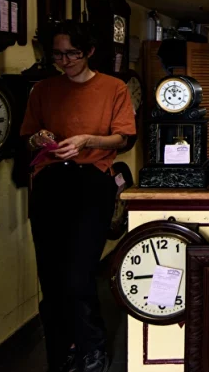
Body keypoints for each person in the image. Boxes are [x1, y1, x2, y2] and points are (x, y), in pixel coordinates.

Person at [21, 20, 136, 372]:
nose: (65, 61)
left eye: (72, 53)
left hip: (92, 182)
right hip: (49, 183)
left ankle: (92, 347)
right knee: (51, 274)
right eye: (58, 54)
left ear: (89, 51)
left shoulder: (114, 88)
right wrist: (39, 139)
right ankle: (61, 350)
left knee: (79, 273)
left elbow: (124, 138)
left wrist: (87, 141)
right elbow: (27, 136)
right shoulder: (43, 89)